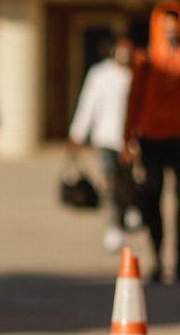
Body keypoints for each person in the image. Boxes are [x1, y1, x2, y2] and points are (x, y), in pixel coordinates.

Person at [122, 1, 180, 284]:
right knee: (152, 197)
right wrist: (126, 139)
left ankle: (179, 262)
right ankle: (158, 258)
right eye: (166, 25)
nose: (172, 30)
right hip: (151, 139)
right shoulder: (145, 60)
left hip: (178, 138)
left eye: (176, 24)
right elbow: (132, 101)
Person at [67, 36, 135, 253]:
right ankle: (114, 226)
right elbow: (88, 104)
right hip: (106, 139)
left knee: (129, 183)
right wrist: (77, 133)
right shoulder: (100, 74)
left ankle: (129, 212)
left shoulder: (137, 74)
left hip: (132, 143)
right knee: (110, 183)